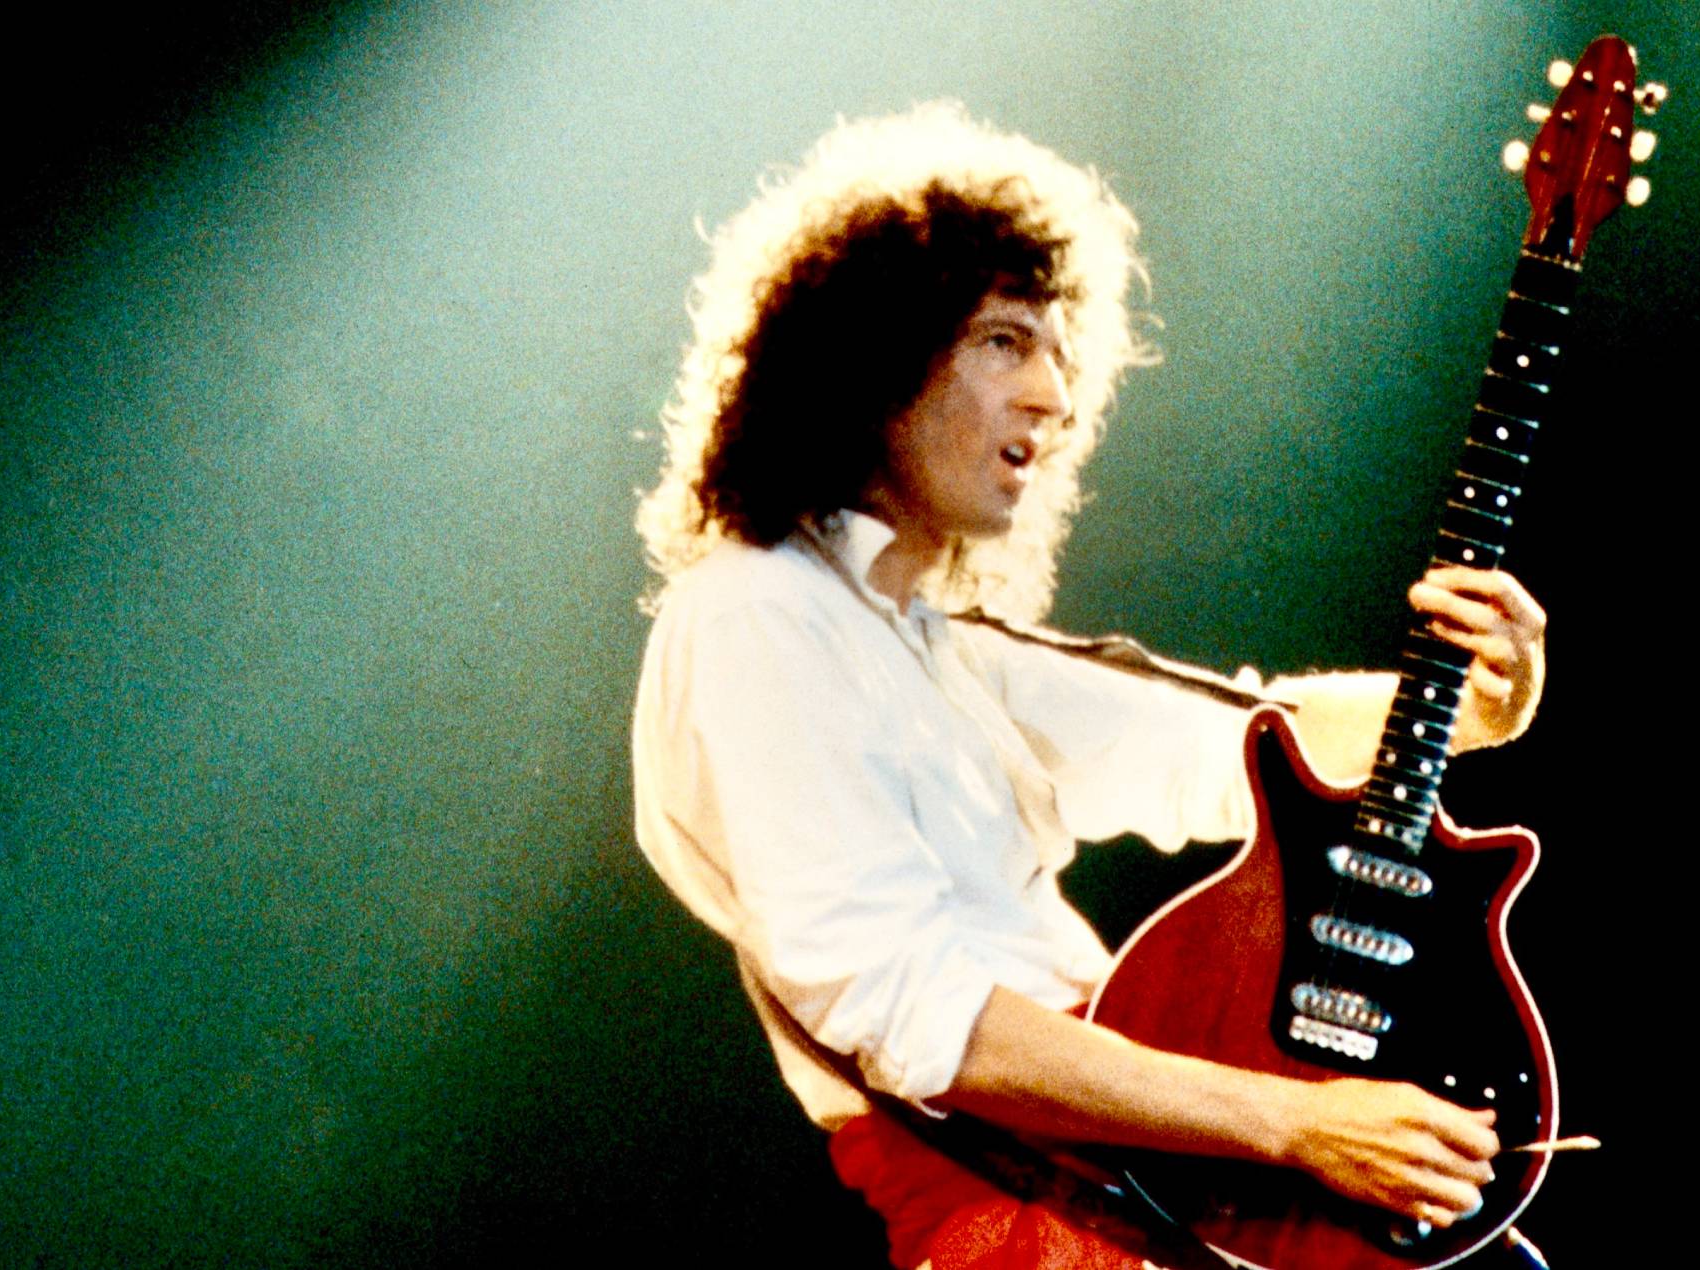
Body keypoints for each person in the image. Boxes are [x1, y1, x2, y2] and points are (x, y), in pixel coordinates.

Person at [632, 103, 1548, 1269]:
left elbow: (1251, 749)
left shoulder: (939, 643)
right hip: (1022, 1205)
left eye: (1058, 352)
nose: (1054, 396)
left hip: (1132, 1168)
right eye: (1004, 341)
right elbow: (920, 1019)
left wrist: (1474, 700)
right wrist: (1297, 1123)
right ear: (869, 357)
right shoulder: (756, 615)